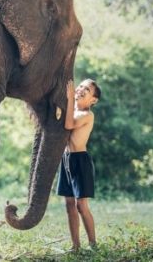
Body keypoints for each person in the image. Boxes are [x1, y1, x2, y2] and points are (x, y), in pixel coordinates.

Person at [57, 78, 101, 251]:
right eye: (81, 86)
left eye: (87, 90)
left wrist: (68, 97)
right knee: (69, 204)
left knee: (81, 205)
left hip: (80, 161)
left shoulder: (87, 115)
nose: (81, 89)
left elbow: (69, 124)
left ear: (93, 100)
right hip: (66, 159)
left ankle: (93, 244)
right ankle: (75, 246)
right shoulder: (72, 110)